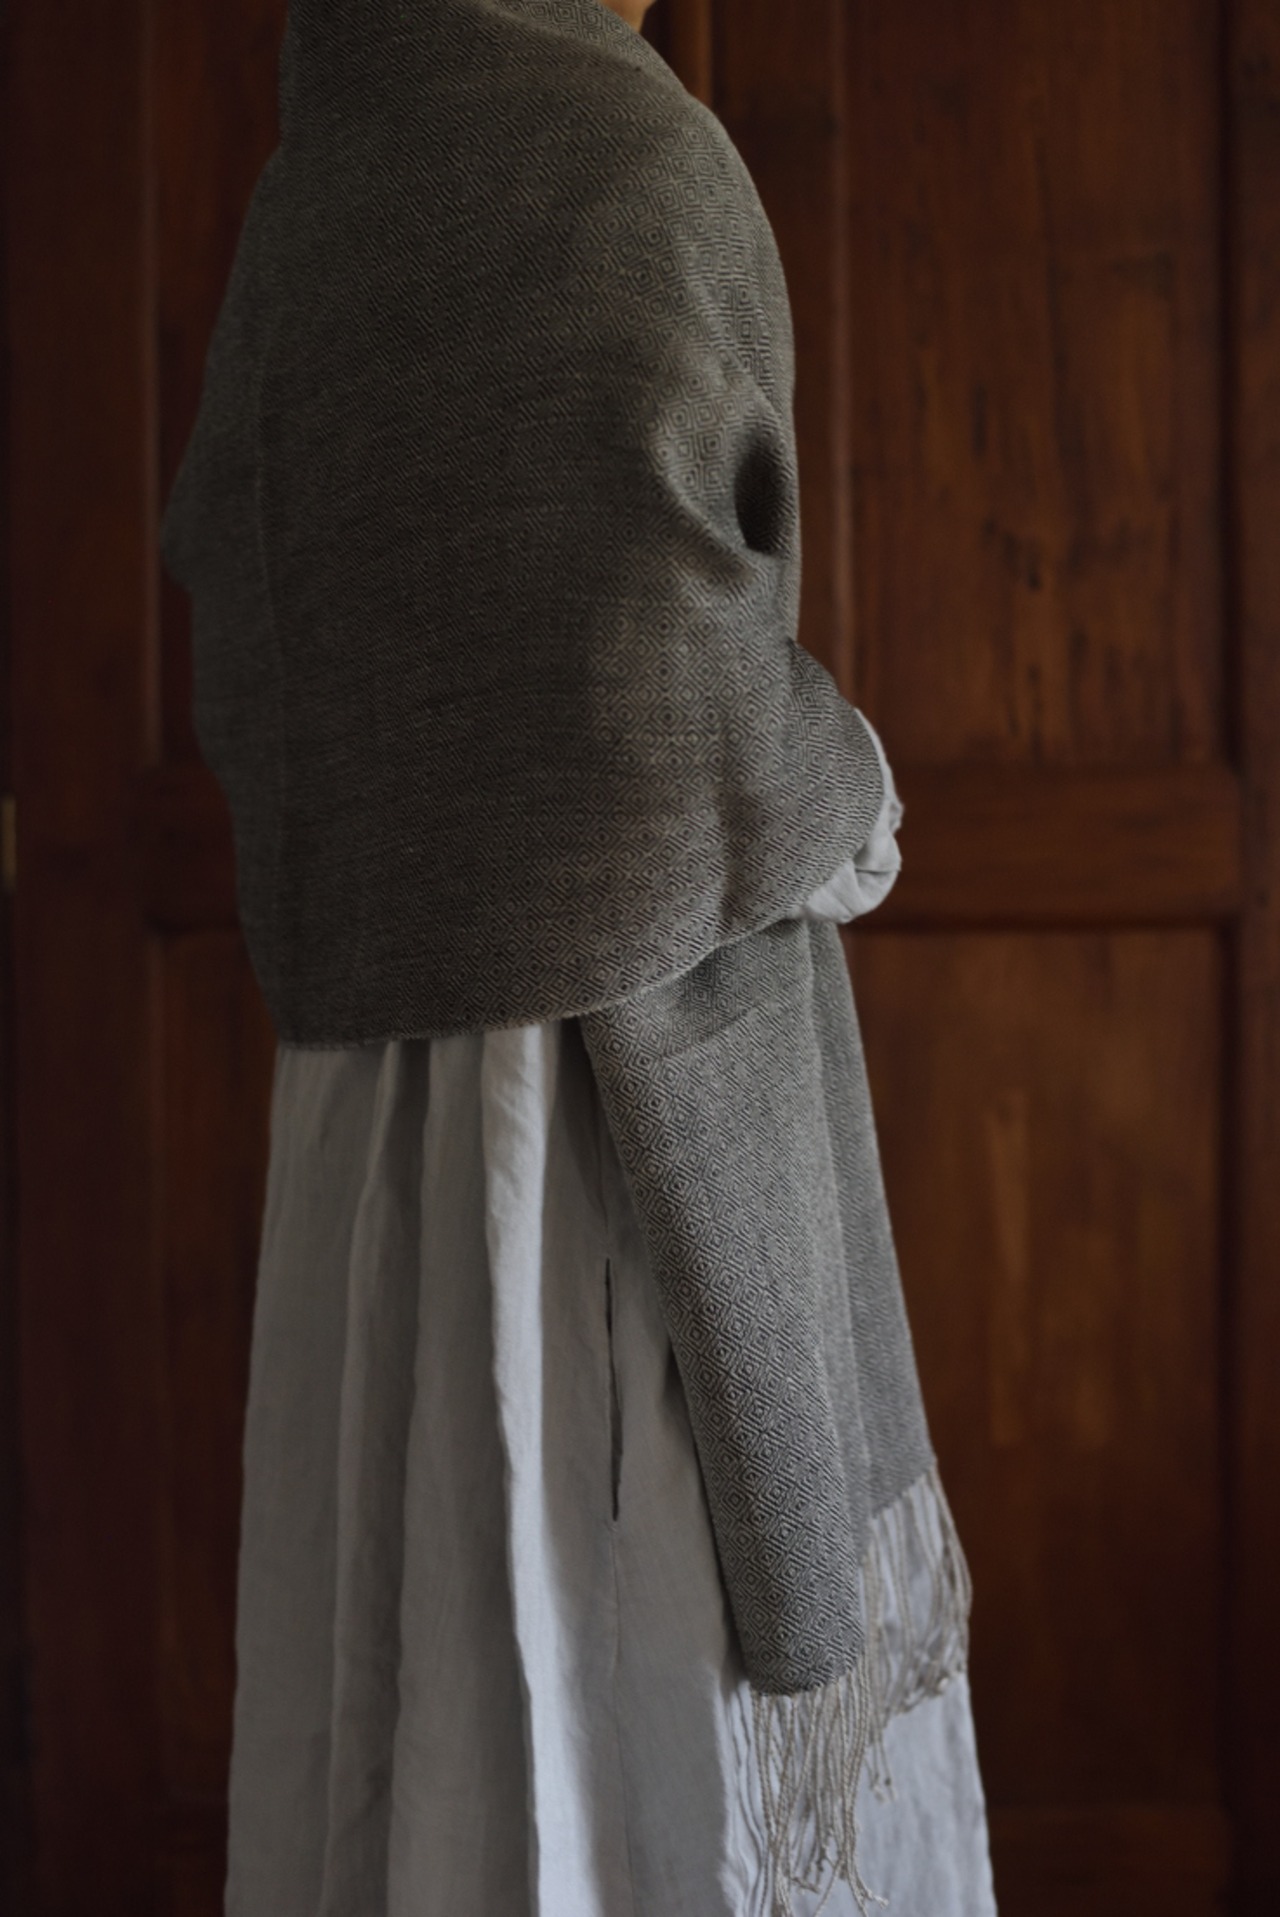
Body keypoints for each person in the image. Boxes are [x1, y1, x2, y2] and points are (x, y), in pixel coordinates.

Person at [160, 2, 999, 1911]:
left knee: (409, 1701)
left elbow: (242, 614)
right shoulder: (631, 161)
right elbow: (670, 717)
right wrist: (848, 780)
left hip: (366, 1116)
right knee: (636, 1714)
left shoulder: (306, 200)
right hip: (607, 1123)